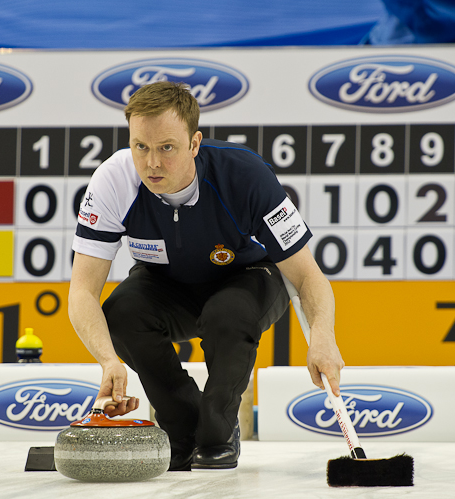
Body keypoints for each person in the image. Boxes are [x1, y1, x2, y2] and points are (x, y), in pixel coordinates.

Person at [68, 81, 344, 471]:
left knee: (226, 315)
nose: (152, 163)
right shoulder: (112, 181)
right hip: (166, 283)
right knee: (121, 313)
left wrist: (323, 339)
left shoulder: (245, 175)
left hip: (249, 276)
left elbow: (308, 277)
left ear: (195, 143)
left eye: (167, 147)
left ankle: (217, 433)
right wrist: (109, 362)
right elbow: (81, 291)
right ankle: (183, 431)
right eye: (140, 147)